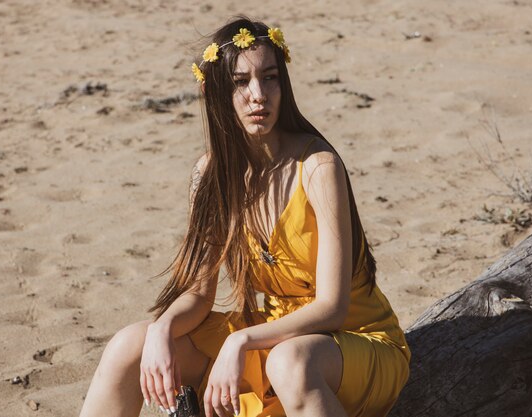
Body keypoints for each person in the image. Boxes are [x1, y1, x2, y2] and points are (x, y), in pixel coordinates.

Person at [79, 16, 410, 417]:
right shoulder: (210, 175)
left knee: (290, 364)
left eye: (270, 78)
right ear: (218, 92)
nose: (259, 95)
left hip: (350, 344)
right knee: (129, 345)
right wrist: (162, 330)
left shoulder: (319, 166)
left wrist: (241, 342)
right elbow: (200, 295)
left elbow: (333, 308)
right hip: (270, 339)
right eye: (241, 82)